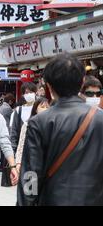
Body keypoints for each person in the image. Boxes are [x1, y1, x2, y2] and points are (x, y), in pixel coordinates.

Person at [18, 53, 103, 205]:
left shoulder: (39, 122)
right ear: (82, 81)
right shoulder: (100, 118)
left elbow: (31, 174)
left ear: (49, 86)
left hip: (53, 200)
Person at [15, 97, 50, 174]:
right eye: (42, 107)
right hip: (30, 164)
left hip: (47, 165)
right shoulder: (27, 124)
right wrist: (18, 163)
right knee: (31, 185)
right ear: (35, 109)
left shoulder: (52, 125)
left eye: (47, 107)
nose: (45, 109)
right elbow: (21, 144)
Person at [9, 82, 37, 153]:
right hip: (21, 149)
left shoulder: (39, 108)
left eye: (31, 92)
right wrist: (13, 150)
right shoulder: (19, 110)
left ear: (35, 93)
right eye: (26, 92)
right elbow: (14, 131)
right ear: (23, 95)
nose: (29, 94)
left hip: (36, 148)